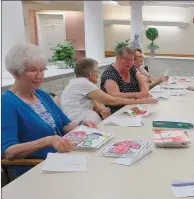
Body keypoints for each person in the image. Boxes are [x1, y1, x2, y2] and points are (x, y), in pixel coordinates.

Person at [1, 44, 95, 179]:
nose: (39, 76)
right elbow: (9, 152)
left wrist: (82, 124)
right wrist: (47, 141)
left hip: (63, 161)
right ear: (17, 73)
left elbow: (66, 125)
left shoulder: (42, 95)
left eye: (42, 69)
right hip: (35, 171)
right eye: (32, 70)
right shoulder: (6, 102)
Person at [60, 58, 157, 124]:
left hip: (89, 122)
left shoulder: (78, 83)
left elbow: (93, 104)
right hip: (82, 125)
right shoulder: (83, 83)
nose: (98, 74)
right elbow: (112, 100)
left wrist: (102, 110)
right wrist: (141, 100)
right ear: (91, 73)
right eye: (97, 71)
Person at [100, 46, 156, 114]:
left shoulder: (131, 68)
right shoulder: (110, 73)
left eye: (131, 60)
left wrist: (144, 93)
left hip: (135, 106)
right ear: (117, 58)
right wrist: (136, 95)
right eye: (126, 59)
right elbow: (114, 95)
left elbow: (142, 83)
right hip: (118, 111)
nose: (129, 63)